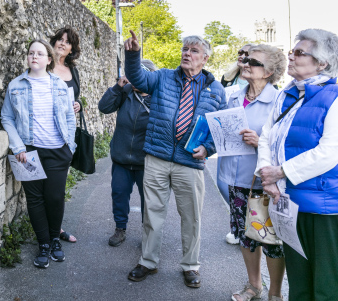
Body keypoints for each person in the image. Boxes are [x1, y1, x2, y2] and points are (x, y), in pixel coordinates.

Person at [124, 31, 226, 288]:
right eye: (184, 49)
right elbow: (137, 77)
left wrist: (208, 148)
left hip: (190, 161)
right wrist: (133, 54)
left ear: (204, 58)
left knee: (191, 216)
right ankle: (148, 262)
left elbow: (221, 126)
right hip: (158, 156)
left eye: (193, 51)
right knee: (152, 213)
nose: (186, 54)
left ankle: (190, 266)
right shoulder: (163, 77)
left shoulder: (216, 90)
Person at [256, 29, 338, 301]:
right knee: (299, 282)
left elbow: (330, 151)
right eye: (292, 51)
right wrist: (267, 175)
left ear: (322, 63)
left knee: (326, 286)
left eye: (299, 52)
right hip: (288, 201)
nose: (290, 56)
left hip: (323, 208)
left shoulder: (334, 96)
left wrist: (281, 172)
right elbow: (267, 135)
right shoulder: (287, 94)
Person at [217, 45, 287, 301]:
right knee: (246, 237)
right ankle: (254, 286)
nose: (245, 63)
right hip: (235, 180)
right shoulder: (234, 97)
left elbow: (287, 145)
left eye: (253, 61)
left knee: (270, 241)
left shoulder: (279, 102)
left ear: (269, 72)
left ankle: (276, 294)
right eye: (245, 59)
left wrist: (261, 142)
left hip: (264, 183)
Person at [1, 39, 76, 268]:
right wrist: (18, 147)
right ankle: (43, 243)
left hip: (57, 150)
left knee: (54, 198)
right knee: (34, 200)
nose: (34, 57)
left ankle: (54, 239)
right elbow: (7, 117)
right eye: (31, 53)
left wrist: (70, 145)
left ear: (49, 59)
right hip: (29, 152)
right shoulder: (15, 85)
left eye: (40, 53)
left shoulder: (60, 85)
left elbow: (69, 117)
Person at [98, 59, 157, 247]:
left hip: (145, 160)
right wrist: (118, 86)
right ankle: (120, 229)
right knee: (119, 194)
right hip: (122, 157)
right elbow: (104, 107)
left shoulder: (157, 97)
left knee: (148, 200)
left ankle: (147, 234)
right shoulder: (125, 92)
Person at [220, 44, 255, 245]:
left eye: (246, 54)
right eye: (239, 53)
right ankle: (238, 222)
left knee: (246, 187)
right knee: (223, 183)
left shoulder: (267, 87)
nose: (242, 56)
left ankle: (245, 226)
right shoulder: (230, 77)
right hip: (229, 139)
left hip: (248, 142)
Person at [50, 27, 81, 243]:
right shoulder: (44, 66)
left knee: (58, 188)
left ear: (72, 49)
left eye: (67, 42)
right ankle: (47, 232)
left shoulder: (72, 70)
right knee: (45, 188)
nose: (62, 43)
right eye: (59, 39)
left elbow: (76, 96)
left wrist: (78, 104)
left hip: (66, 135)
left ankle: (56, 229)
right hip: (45, 132)